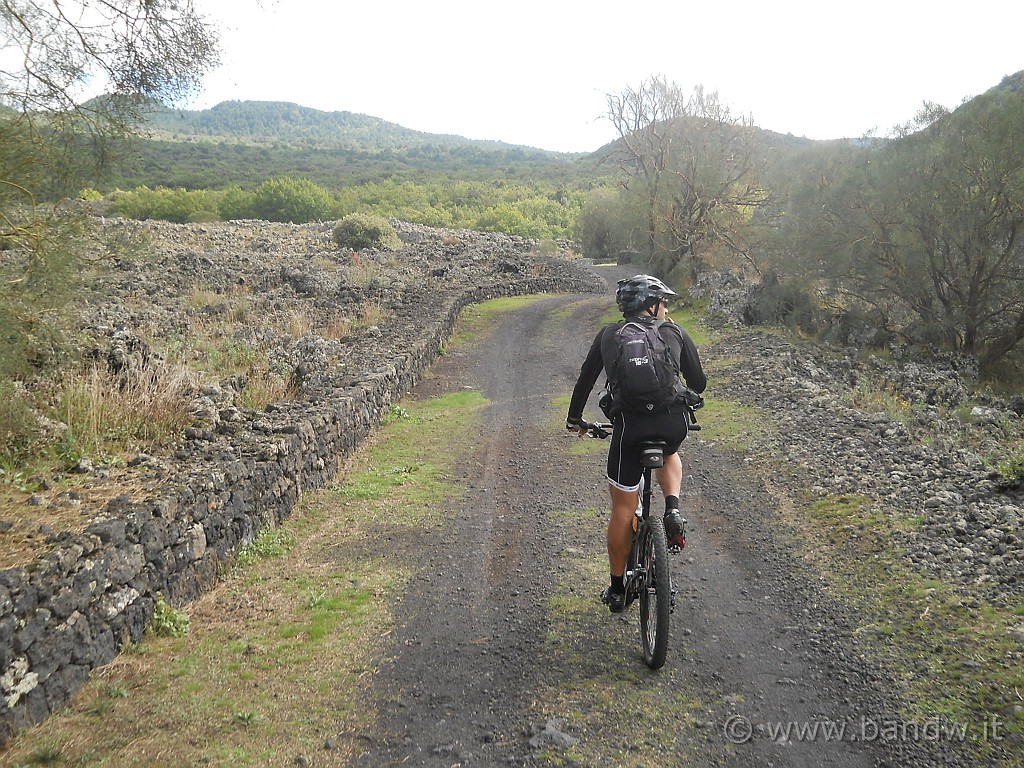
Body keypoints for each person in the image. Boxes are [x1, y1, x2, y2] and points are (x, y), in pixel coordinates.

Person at [566, 274, 707, 613]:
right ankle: (672, 510)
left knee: (623, 508)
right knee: (671, 452)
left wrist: (575, 421)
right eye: (663, 303)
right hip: (671, 423)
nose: (666, 308)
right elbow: (698, 383)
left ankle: (617, 590)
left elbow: (585, 380)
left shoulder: (610, 335)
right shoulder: (673, 331)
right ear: (652, 305)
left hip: (629, 428)